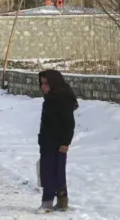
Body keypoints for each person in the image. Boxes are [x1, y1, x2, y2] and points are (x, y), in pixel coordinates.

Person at [37, 70, 78, 213]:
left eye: (47, 83)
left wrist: (66, 143)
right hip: (47, 142)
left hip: (58, 143)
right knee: (49, 171)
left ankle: (49, 203)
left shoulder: (62, 99)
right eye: (42, 83)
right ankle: (61, 202)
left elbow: (69, 123)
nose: (44, 87)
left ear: (54, 83)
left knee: (53, 173)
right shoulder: (50, 99)